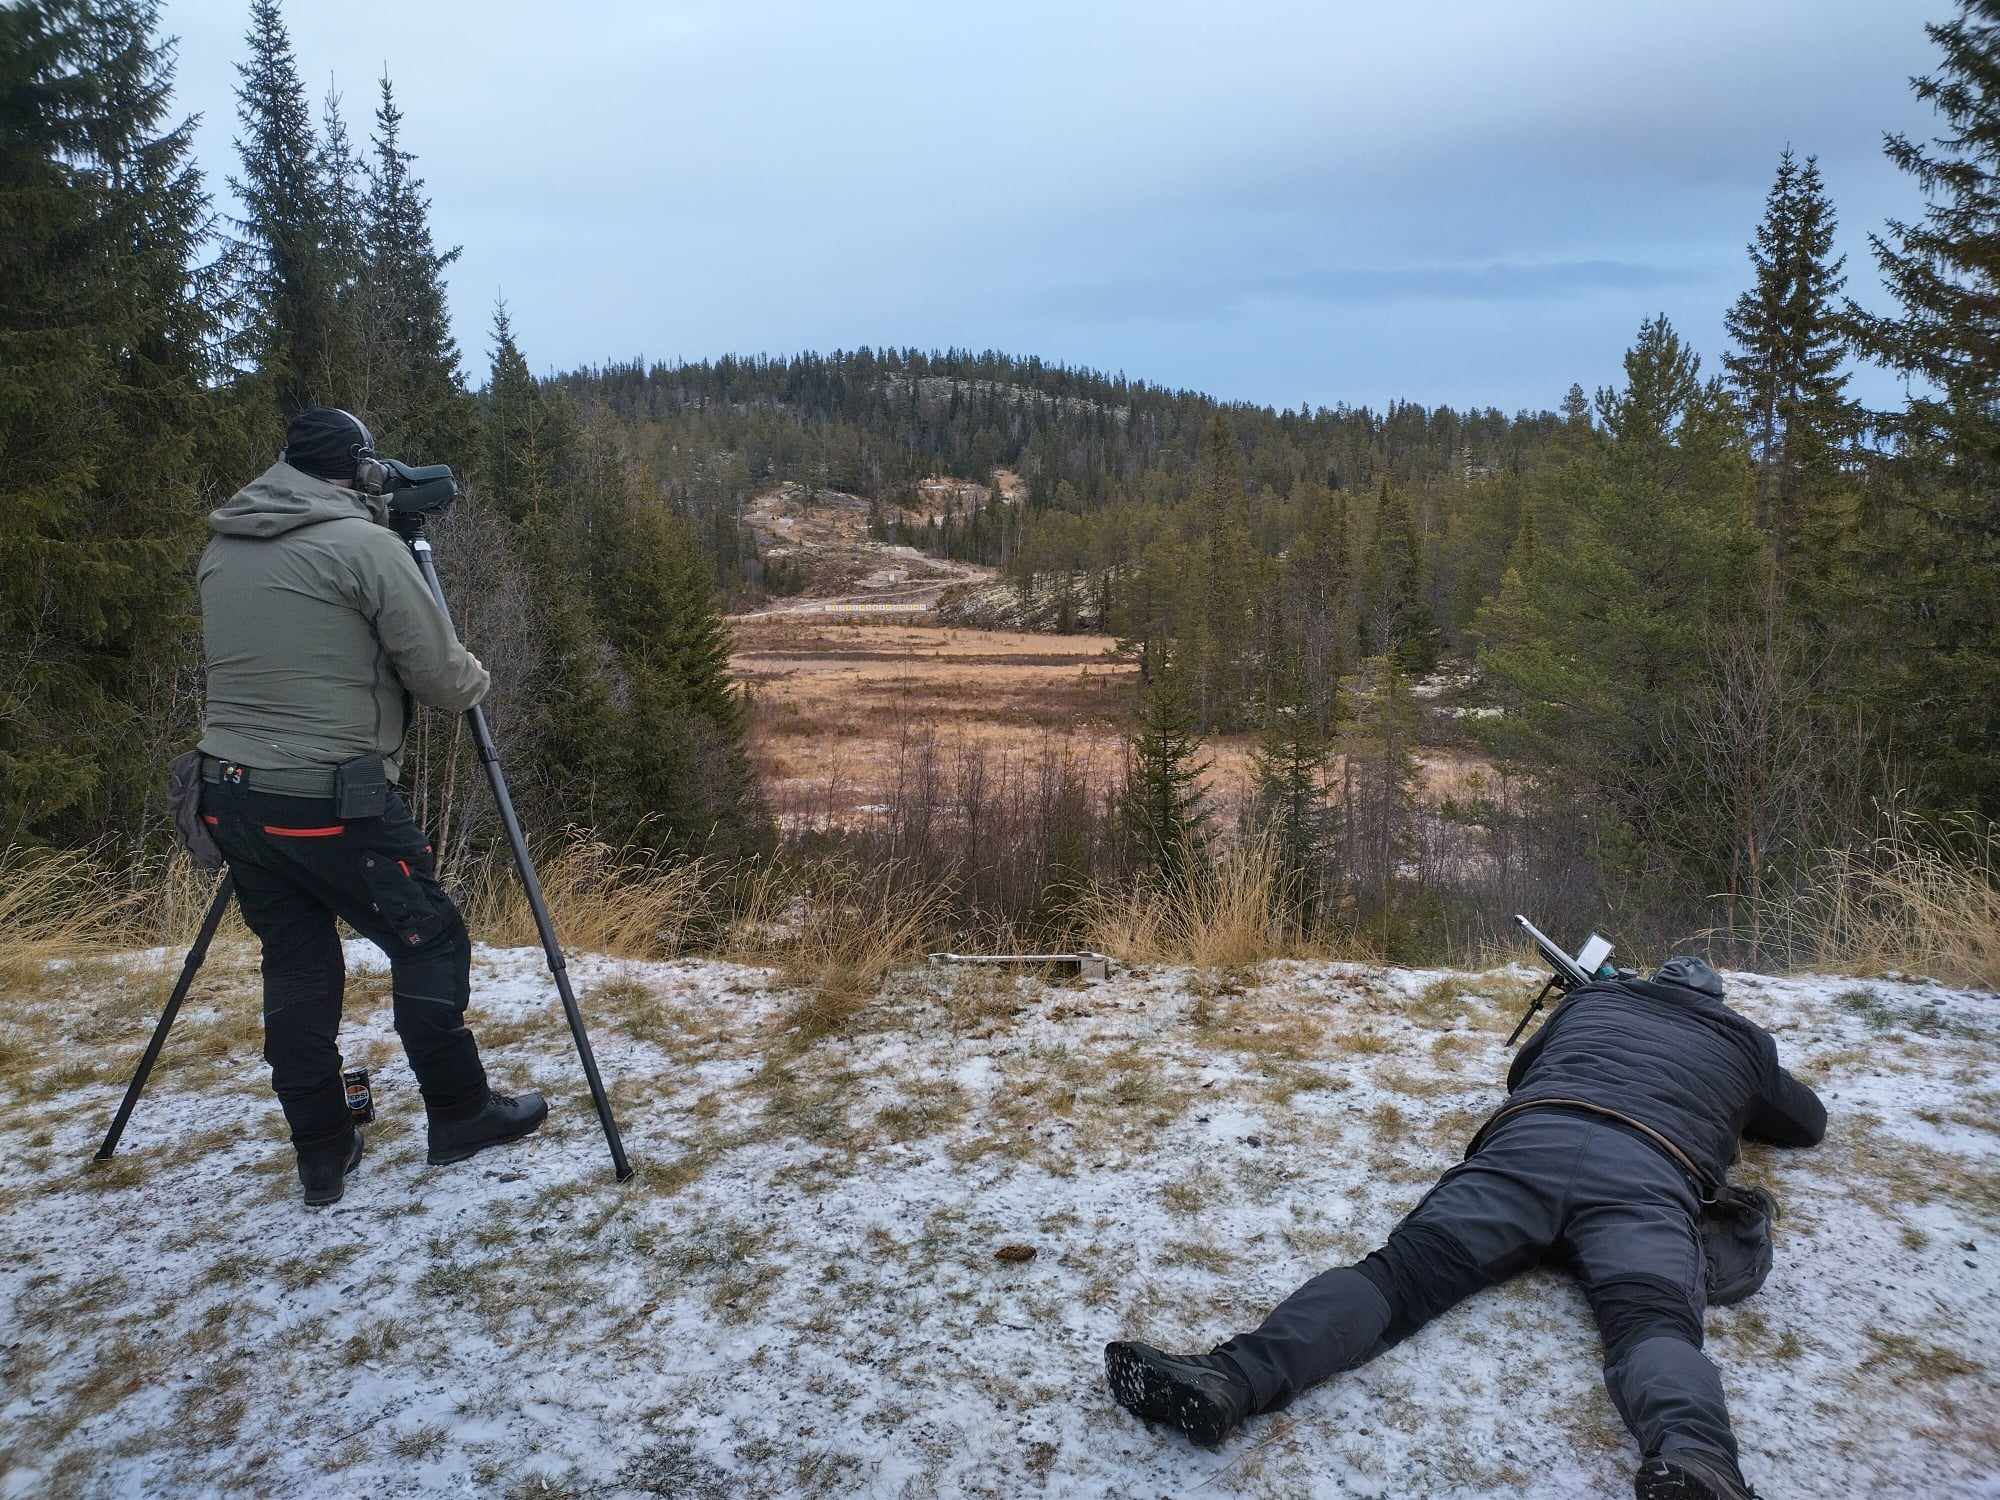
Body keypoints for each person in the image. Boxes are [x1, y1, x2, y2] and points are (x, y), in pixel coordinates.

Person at [1104, 955, 1826, 1500]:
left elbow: (1523, 1070)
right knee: (1656, 1327)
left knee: (1397, 1276)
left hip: (1530, 1144)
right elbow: (1806, 1125)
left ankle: (1231, 1378)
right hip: (1646, 1173)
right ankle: (1698, 1462)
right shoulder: (1743, 1040)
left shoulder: (1597, 1000)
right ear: (1715, 1000)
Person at [196, 407, 547, 1207]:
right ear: (356, 472)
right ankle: (459, 1111)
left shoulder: (223, 546)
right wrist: (469, 663)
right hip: (329, 800)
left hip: (231, 794)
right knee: (428, 937)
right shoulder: (366, 548)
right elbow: (446, 679)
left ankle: (322, 1149)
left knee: (297, 961)